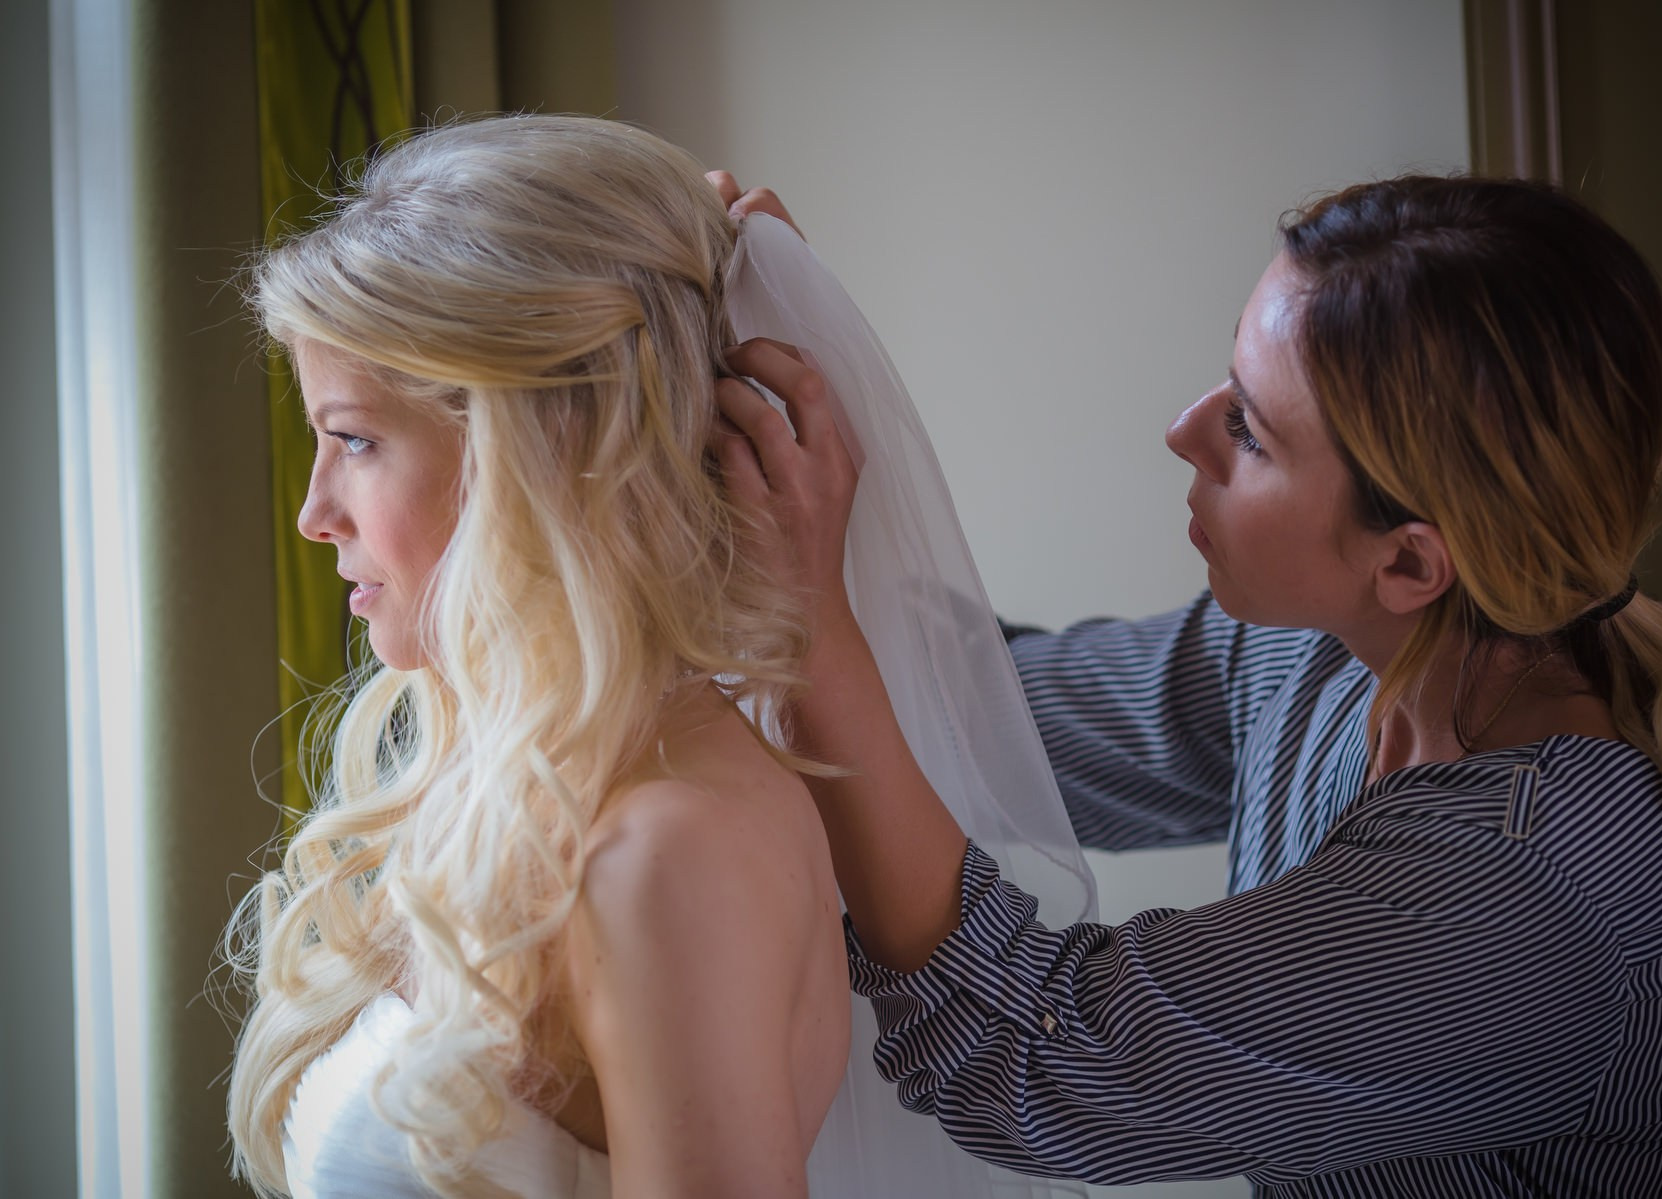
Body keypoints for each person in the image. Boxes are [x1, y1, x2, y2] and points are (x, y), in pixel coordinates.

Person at [716, 174, 1662, 1196]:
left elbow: (1037, 1053)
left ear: (1411, 562)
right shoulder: (1327, 654)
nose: (1183, 430)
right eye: (1227, 382)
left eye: (1248, 428)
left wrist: (812, 622)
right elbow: (981, 719)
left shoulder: (1537, 888)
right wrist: (807, 385)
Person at [225, 113, 1094, 1199]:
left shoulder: (667, 853)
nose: (313, 511)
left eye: (354, 438)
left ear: (543, 445)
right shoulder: (526, 782)